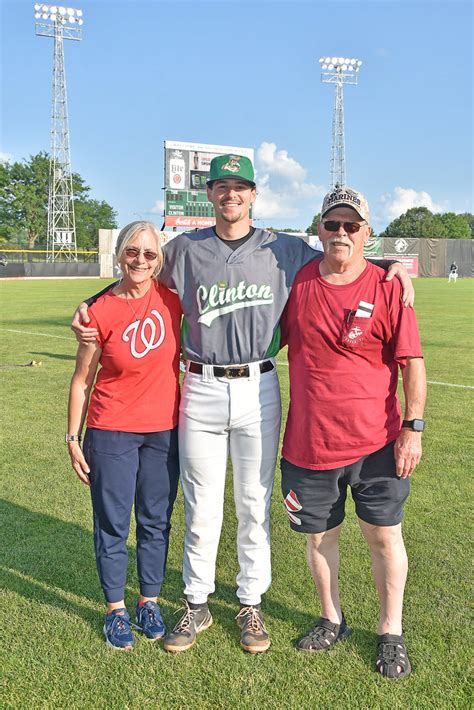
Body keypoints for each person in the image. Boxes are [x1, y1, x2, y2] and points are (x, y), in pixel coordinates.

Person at [71, 155, 414, 655]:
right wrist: (94, 299)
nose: (230, 195)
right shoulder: (185, 248)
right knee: (200, 505)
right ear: (209, 194)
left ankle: (250, 602)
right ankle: (196, 602)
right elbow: (137, 271)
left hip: (258, 384)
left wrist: (390, 267)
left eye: (240, 187)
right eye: (221, 187)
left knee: (254, 503)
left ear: (253, 194)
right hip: (202, 385)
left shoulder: (284, 248)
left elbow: (341, 252)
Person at [280, 186, 426, 679]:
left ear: (367, 231)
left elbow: (412, 363)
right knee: (319, 539)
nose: (340, 233)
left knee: (384, 537)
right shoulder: (297, 280)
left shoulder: (388, 286)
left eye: (351, 225)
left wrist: (414, 427)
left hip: (377, 442)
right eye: (331, 224)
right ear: (319, 229)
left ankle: (390, 630)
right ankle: (331, 617)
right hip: (308, 441)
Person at [67, 221, 181, 650]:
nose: (140, 260)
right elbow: (81, 380)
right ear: (119, 253)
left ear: (160, 260)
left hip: (164, 431)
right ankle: (115, 609)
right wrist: (73, 438)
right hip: (111, 430)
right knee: (113, 524)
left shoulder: (173, 302)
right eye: (133, 251)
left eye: (150, 255)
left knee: (156, 522)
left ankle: (148, 602)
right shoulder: (97, 311)